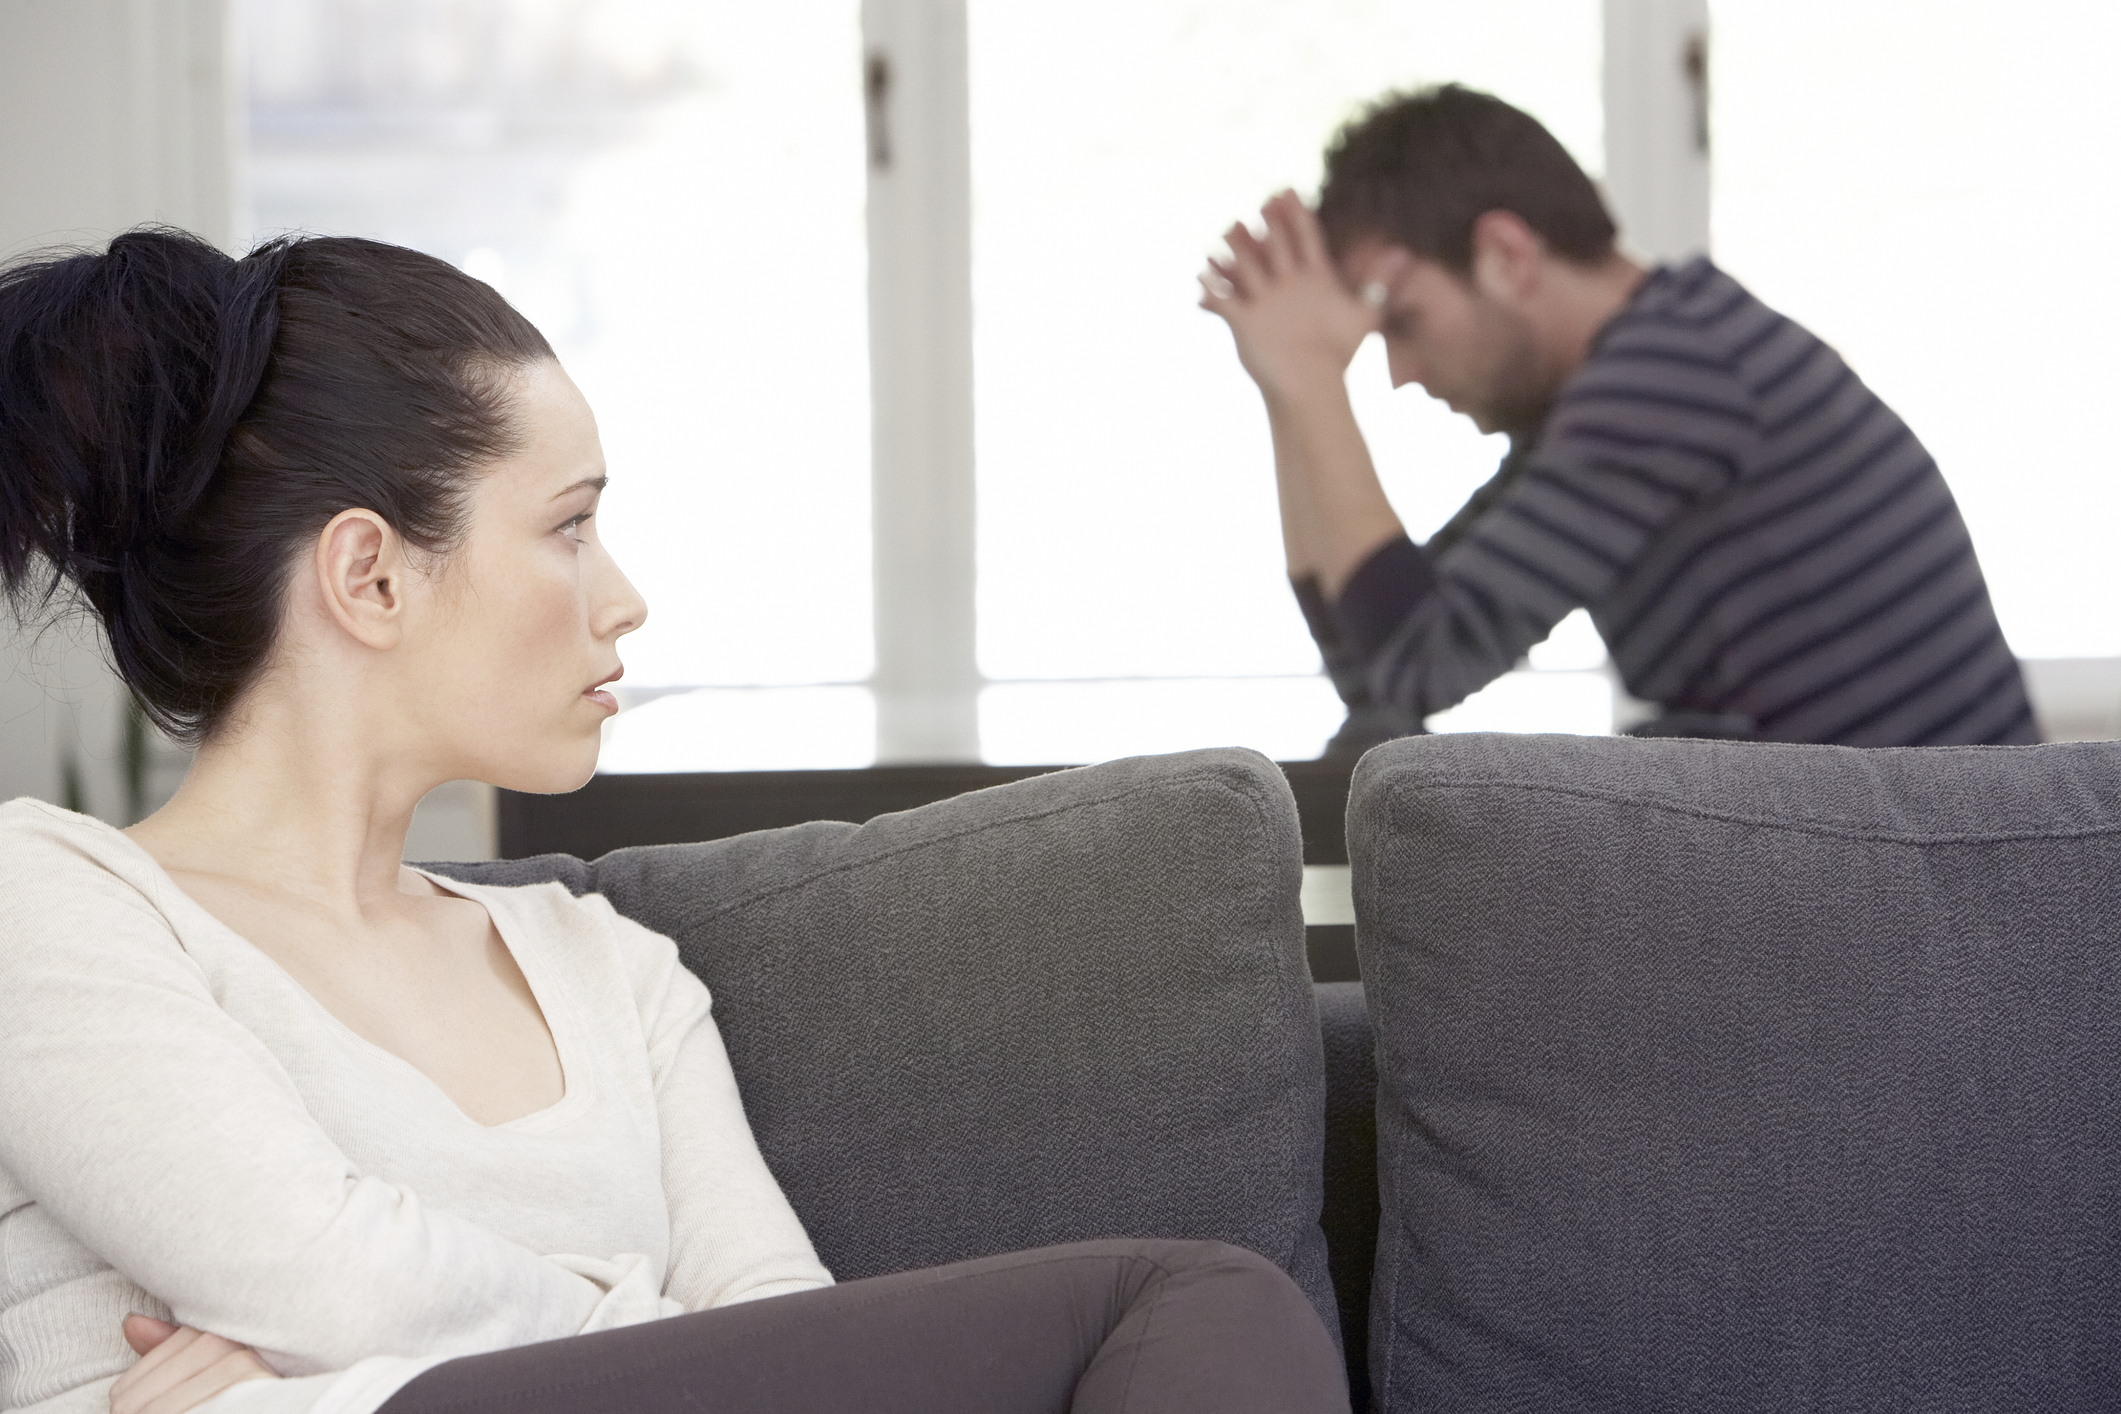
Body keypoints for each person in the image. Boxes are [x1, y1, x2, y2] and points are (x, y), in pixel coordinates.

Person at [0, 229, 1349, 1414]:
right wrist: (642, 1319)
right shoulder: (55, 901)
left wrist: (337, 1385)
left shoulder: (609, 969)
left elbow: (805, 1360)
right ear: (368, 574)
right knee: (1187, 1303)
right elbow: (329, 1274)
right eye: (569, 527)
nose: (623, 597)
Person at [1200, 84, 2037, 748]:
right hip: (1884, 869)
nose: (1401, 374)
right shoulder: (1639, 369)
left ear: (1504, 256)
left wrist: (1312, 379)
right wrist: (1284, 387)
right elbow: (1375, 663)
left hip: (1937, 901)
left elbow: (1422, 662)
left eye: (1404, 322)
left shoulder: (1670, 378)